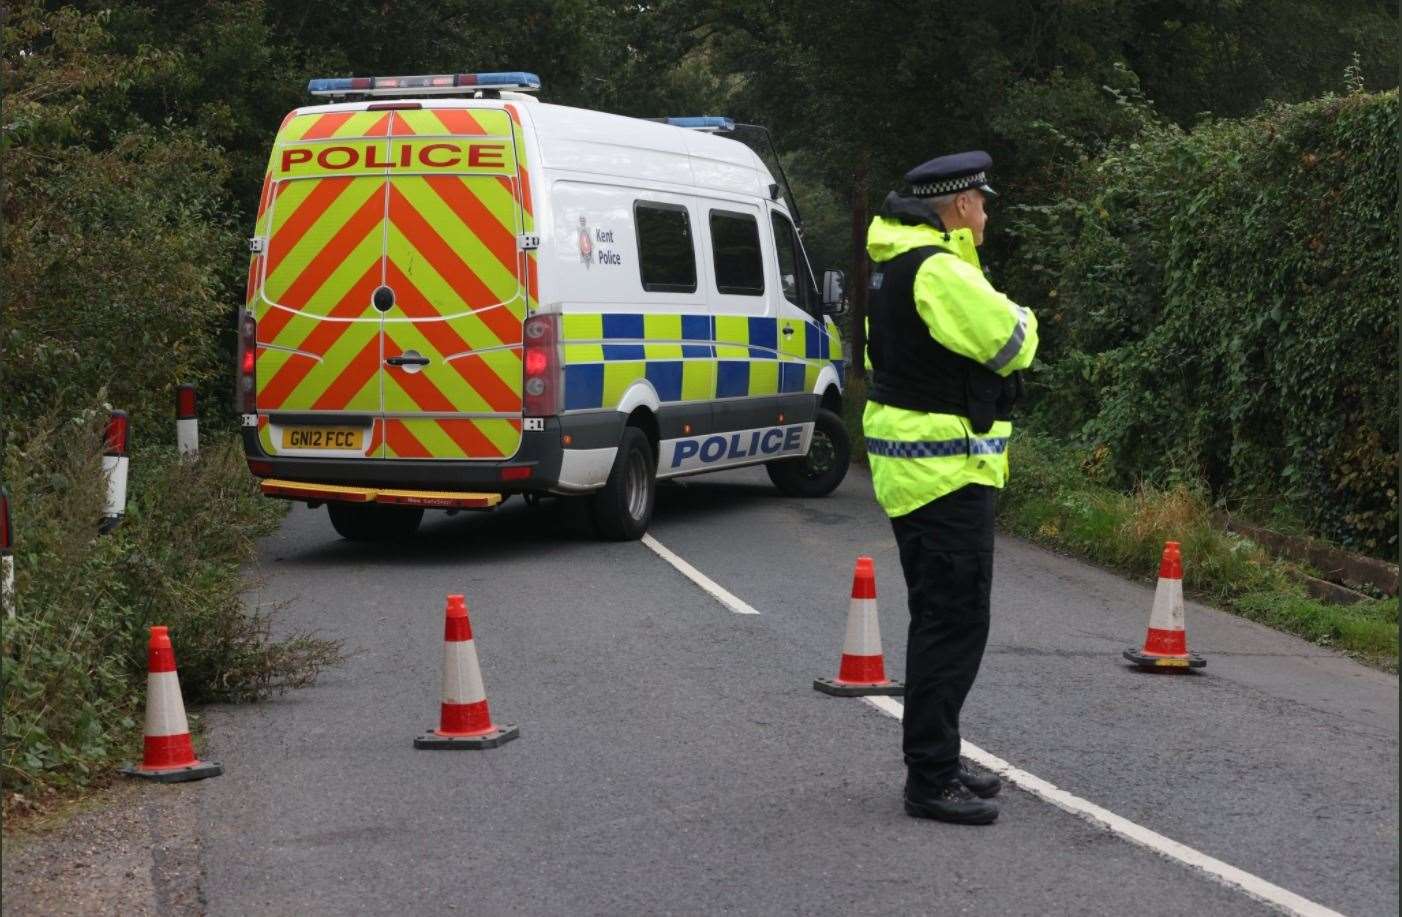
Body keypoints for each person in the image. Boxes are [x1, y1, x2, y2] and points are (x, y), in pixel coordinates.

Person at [862, 151, 1038, 825]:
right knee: (951, 622)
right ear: (960, 205)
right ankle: (931, 777)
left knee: (947, 618)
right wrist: (1017, 312)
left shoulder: (904, 261)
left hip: (925, 472)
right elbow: (1015, 337)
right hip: (944, 473)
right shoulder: (936, 270)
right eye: (982, 201)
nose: (987, 212)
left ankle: (941, 753)